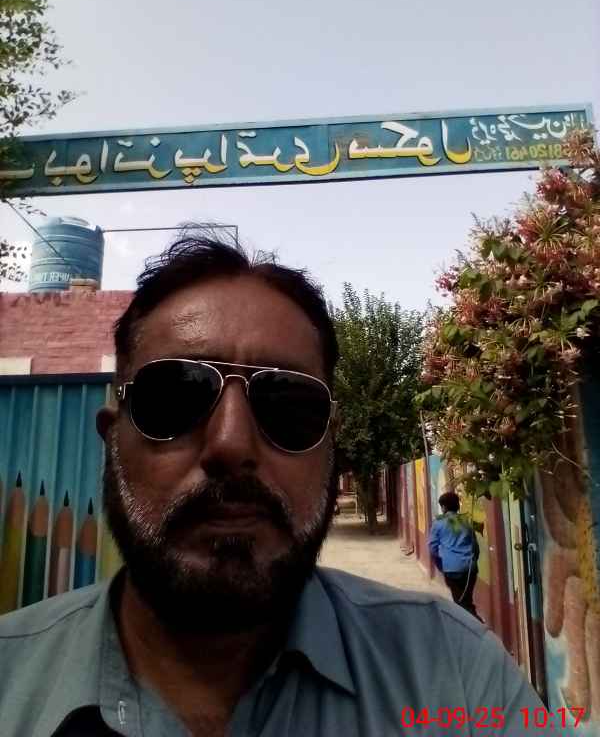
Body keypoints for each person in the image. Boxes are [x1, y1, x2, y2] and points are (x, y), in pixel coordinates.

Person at [0, 234, 549, 736]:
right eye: (175, 397)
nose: (231, 444)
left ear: (330, 448)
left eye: (287, 406)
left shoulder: (457, 676)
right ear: (112, 440)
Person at [428, 491, 482, 621]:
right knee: (466, 601)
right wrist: (472, 562)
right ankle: (475, 625)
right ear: (457, 505)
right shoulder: (466, 521)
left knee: (461, 605)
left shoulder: (438, 523)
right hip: (470, 568)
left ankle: (477, 627)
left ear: (444, 507)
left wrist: (441, 565)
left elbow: (432, 549)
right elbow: (475, 547)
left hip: (452, 569)